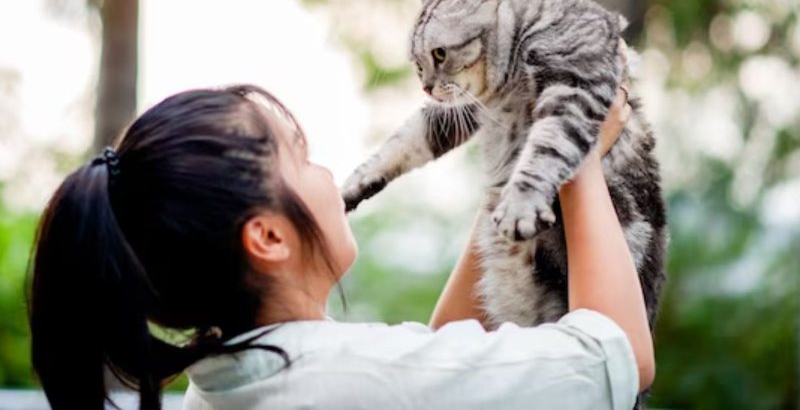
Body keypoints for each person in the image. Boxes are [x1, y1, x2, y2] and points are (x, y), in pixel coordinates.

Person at [28, 82, 653, 410]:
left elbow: (449, 362)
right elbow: (616, 358)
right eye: (300, 159)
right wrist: (572, 157)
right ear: (268, 237)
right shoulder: (348, 380)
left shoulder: (228, 380)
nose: (327, 174)